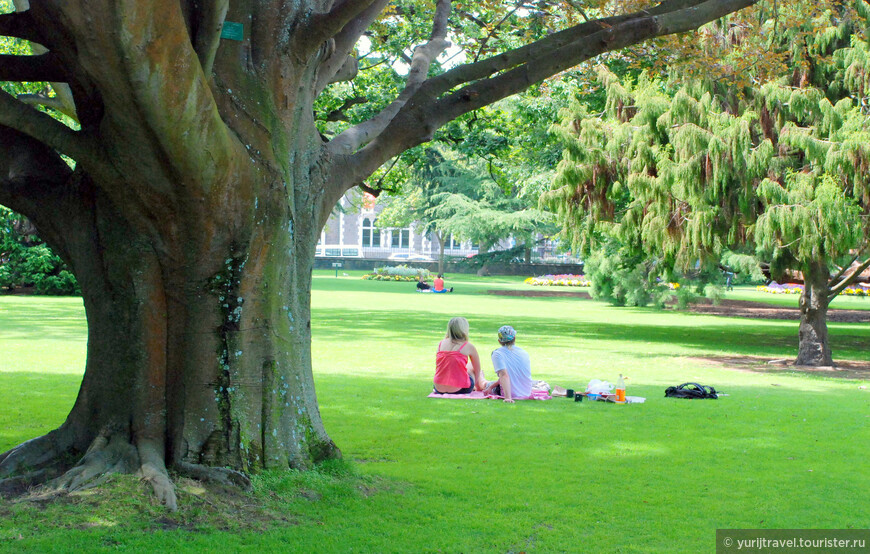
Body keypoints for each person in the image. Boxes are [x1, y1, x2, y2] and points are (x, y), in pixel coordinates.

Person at [433, 317, 486, 394]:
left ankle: (482, 384)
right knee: (472, 367)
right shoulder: (468, 346)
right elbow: (477, 369)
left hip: (439, 388)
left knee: (465, 368)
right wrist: (474, 384)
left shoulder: (441, 344)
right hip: (460, 389)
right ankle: (481, 385)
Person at [483, 325, 533, 403]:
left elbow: (504, 375)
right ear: (514, 338)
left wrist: (508, 398)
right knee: (489, 383)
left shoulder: (497, 354)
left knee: (482, 382)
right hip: (526, 392)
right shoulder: (524, 353)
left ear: (499, 341)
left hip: (510, 393)